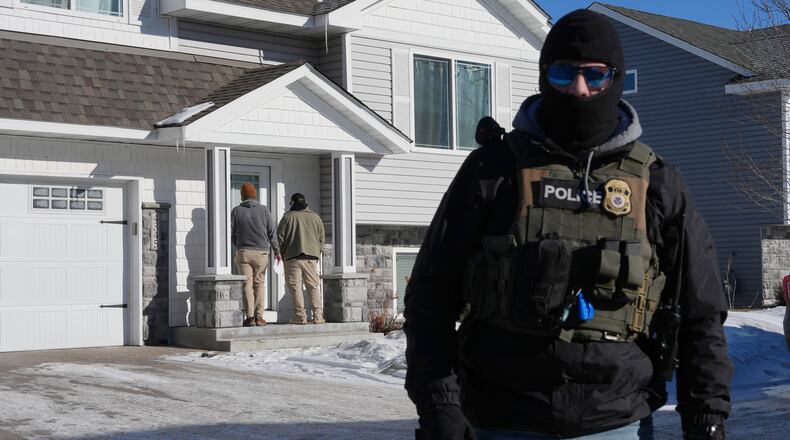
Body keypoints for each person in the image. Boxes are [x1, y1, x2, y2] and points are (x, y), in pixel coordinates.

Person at [404, 9, 732, 440]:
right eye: (564, 74)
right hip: (503, 417)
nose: (579, 89)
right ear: (544, 76)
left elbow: (700, 310)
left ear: (614, 78)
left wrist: (706, 414)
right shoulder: (495, 169)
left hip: (617, 421)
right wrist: (439, 406)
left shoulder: (656, 183)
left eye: (594, 76)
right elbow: (431, 293)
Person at [231, 182, 280, 327]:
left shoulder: (236, 211)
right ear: (254, 194)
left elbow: (231, 233)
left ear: (242, 195)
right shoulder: (264, 210)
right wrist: (277, 251)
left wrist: (238, 245)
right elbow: (272, 233)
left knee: (247, 284)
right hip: (261, 253)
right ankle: (260, 317)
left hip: (244, 252)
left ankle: (250, 317)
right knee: (259, 284)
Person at [277, 193, 326, 325]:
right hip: (311, 258)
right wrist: (317, 252)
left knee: (296, 288)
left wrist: (282, 254)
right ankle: (318, 317)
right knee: (313, 287)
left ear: (292, 203)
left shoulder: (287, 217)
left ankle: (300, 316)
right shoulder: (315, 217)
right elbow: (322, 239)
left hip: (293, 258)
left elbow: (280, 238)